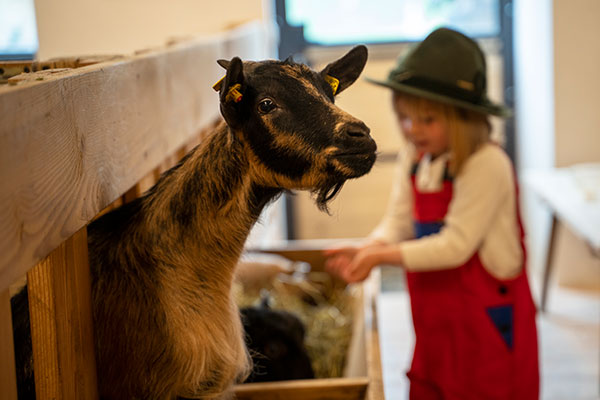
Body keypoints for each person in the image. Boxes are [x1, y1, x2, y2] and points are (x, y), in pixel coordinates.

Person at [324, 27, 539, 399]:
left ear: (463, 117)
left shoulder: (487, 163)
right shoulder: (417, 157)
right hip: (436, 326)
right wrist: (368, 246)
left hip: (485, 326)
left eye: (427, 120)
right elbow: (400, 220)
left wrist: (380, 257)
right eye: (405, 117)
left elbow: (455, 246)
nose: (412, 129)